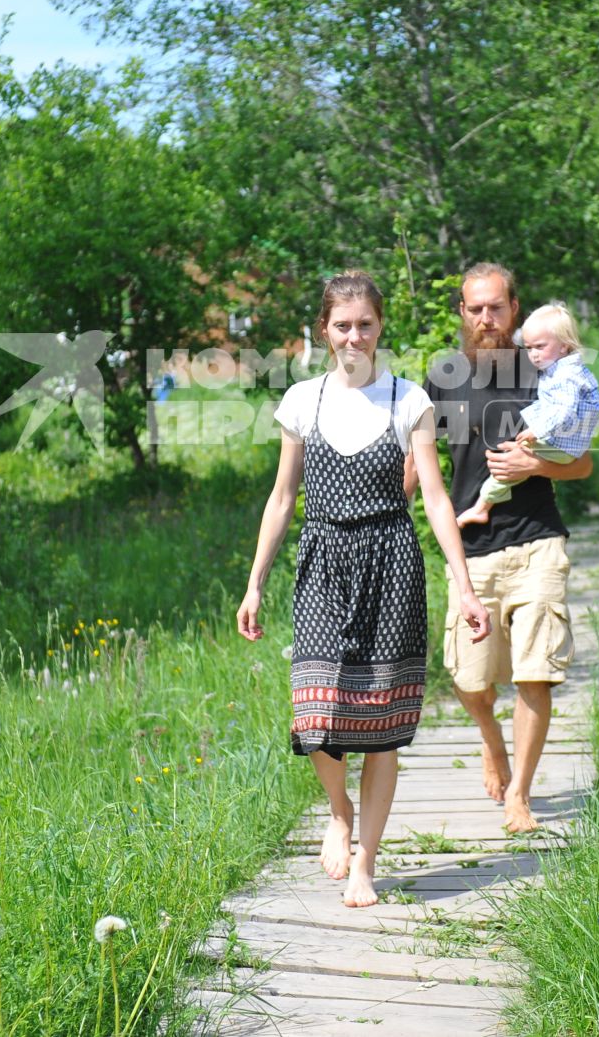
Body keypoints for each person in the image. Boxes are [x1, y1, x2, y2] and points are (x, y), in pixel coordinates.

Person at [236, 270, 491, 908]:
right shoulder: (302, 400)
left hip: (391, 563)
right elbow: (283, 496)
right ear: (325, 330)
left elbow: (433, 495)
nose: (354, 336)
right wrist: (255, 583)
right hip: (322, 561)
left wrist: (464, 586)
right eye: (342, 325)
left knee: (380, 724)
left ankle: (365, 866)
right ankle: (339, 813)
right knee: (317, 716)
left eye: (365, 325)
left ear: (380, 327)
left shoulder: (409, 402)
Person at [419, 263, 593, 834]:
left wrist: (533, 464)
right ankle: (492, 742)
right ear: (462, 314)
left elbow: (583, 463)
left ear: (514, 309)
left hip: (538, 539)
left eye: (497, 307)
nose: (487, 319)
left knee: (535, 674)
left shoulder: (544, 368)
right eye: (476, 309)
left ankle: (520, 792)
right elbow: (416, 467)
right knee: (471, 682)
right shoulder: (443, 376)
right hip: (471, 553)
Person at [454, 302, 599, 529]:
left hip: (563, 445)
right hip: (564, 442)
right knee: (513, 459)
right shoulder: (560, 368)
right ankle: (483, 506)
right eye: (529, 347)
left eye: (540, 347)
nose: (533, 355)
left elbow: (564, 410)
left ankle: (481, 508)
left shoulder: (567, 376)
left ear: (564, 346)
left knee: (510, 462)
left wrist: (536, 430)